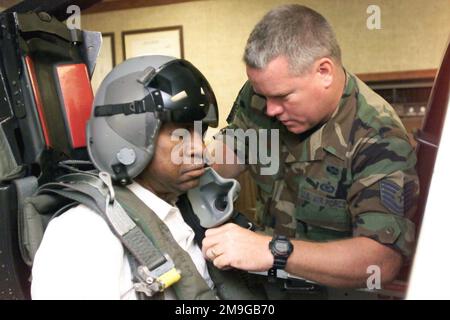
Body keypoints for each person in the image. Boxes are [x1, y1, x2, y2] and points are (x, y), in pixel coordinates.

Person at [205, 4, 419, 295]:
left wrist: (274, 250)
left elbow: (381, 261)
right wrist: (187, 164)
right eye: (262, 95)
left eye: (282, 97)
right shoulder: (264, 94)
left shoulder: (379, 137)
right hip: (270, 285)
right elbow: (234, 149)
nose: (270, 109)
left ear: (324, 72)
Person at [31, 55, 220, 299]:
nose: (200, 150)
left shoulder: (186, 208)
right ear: (128, 136)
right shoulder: (83, 235)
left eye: (200, 132)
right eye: (180, 135)